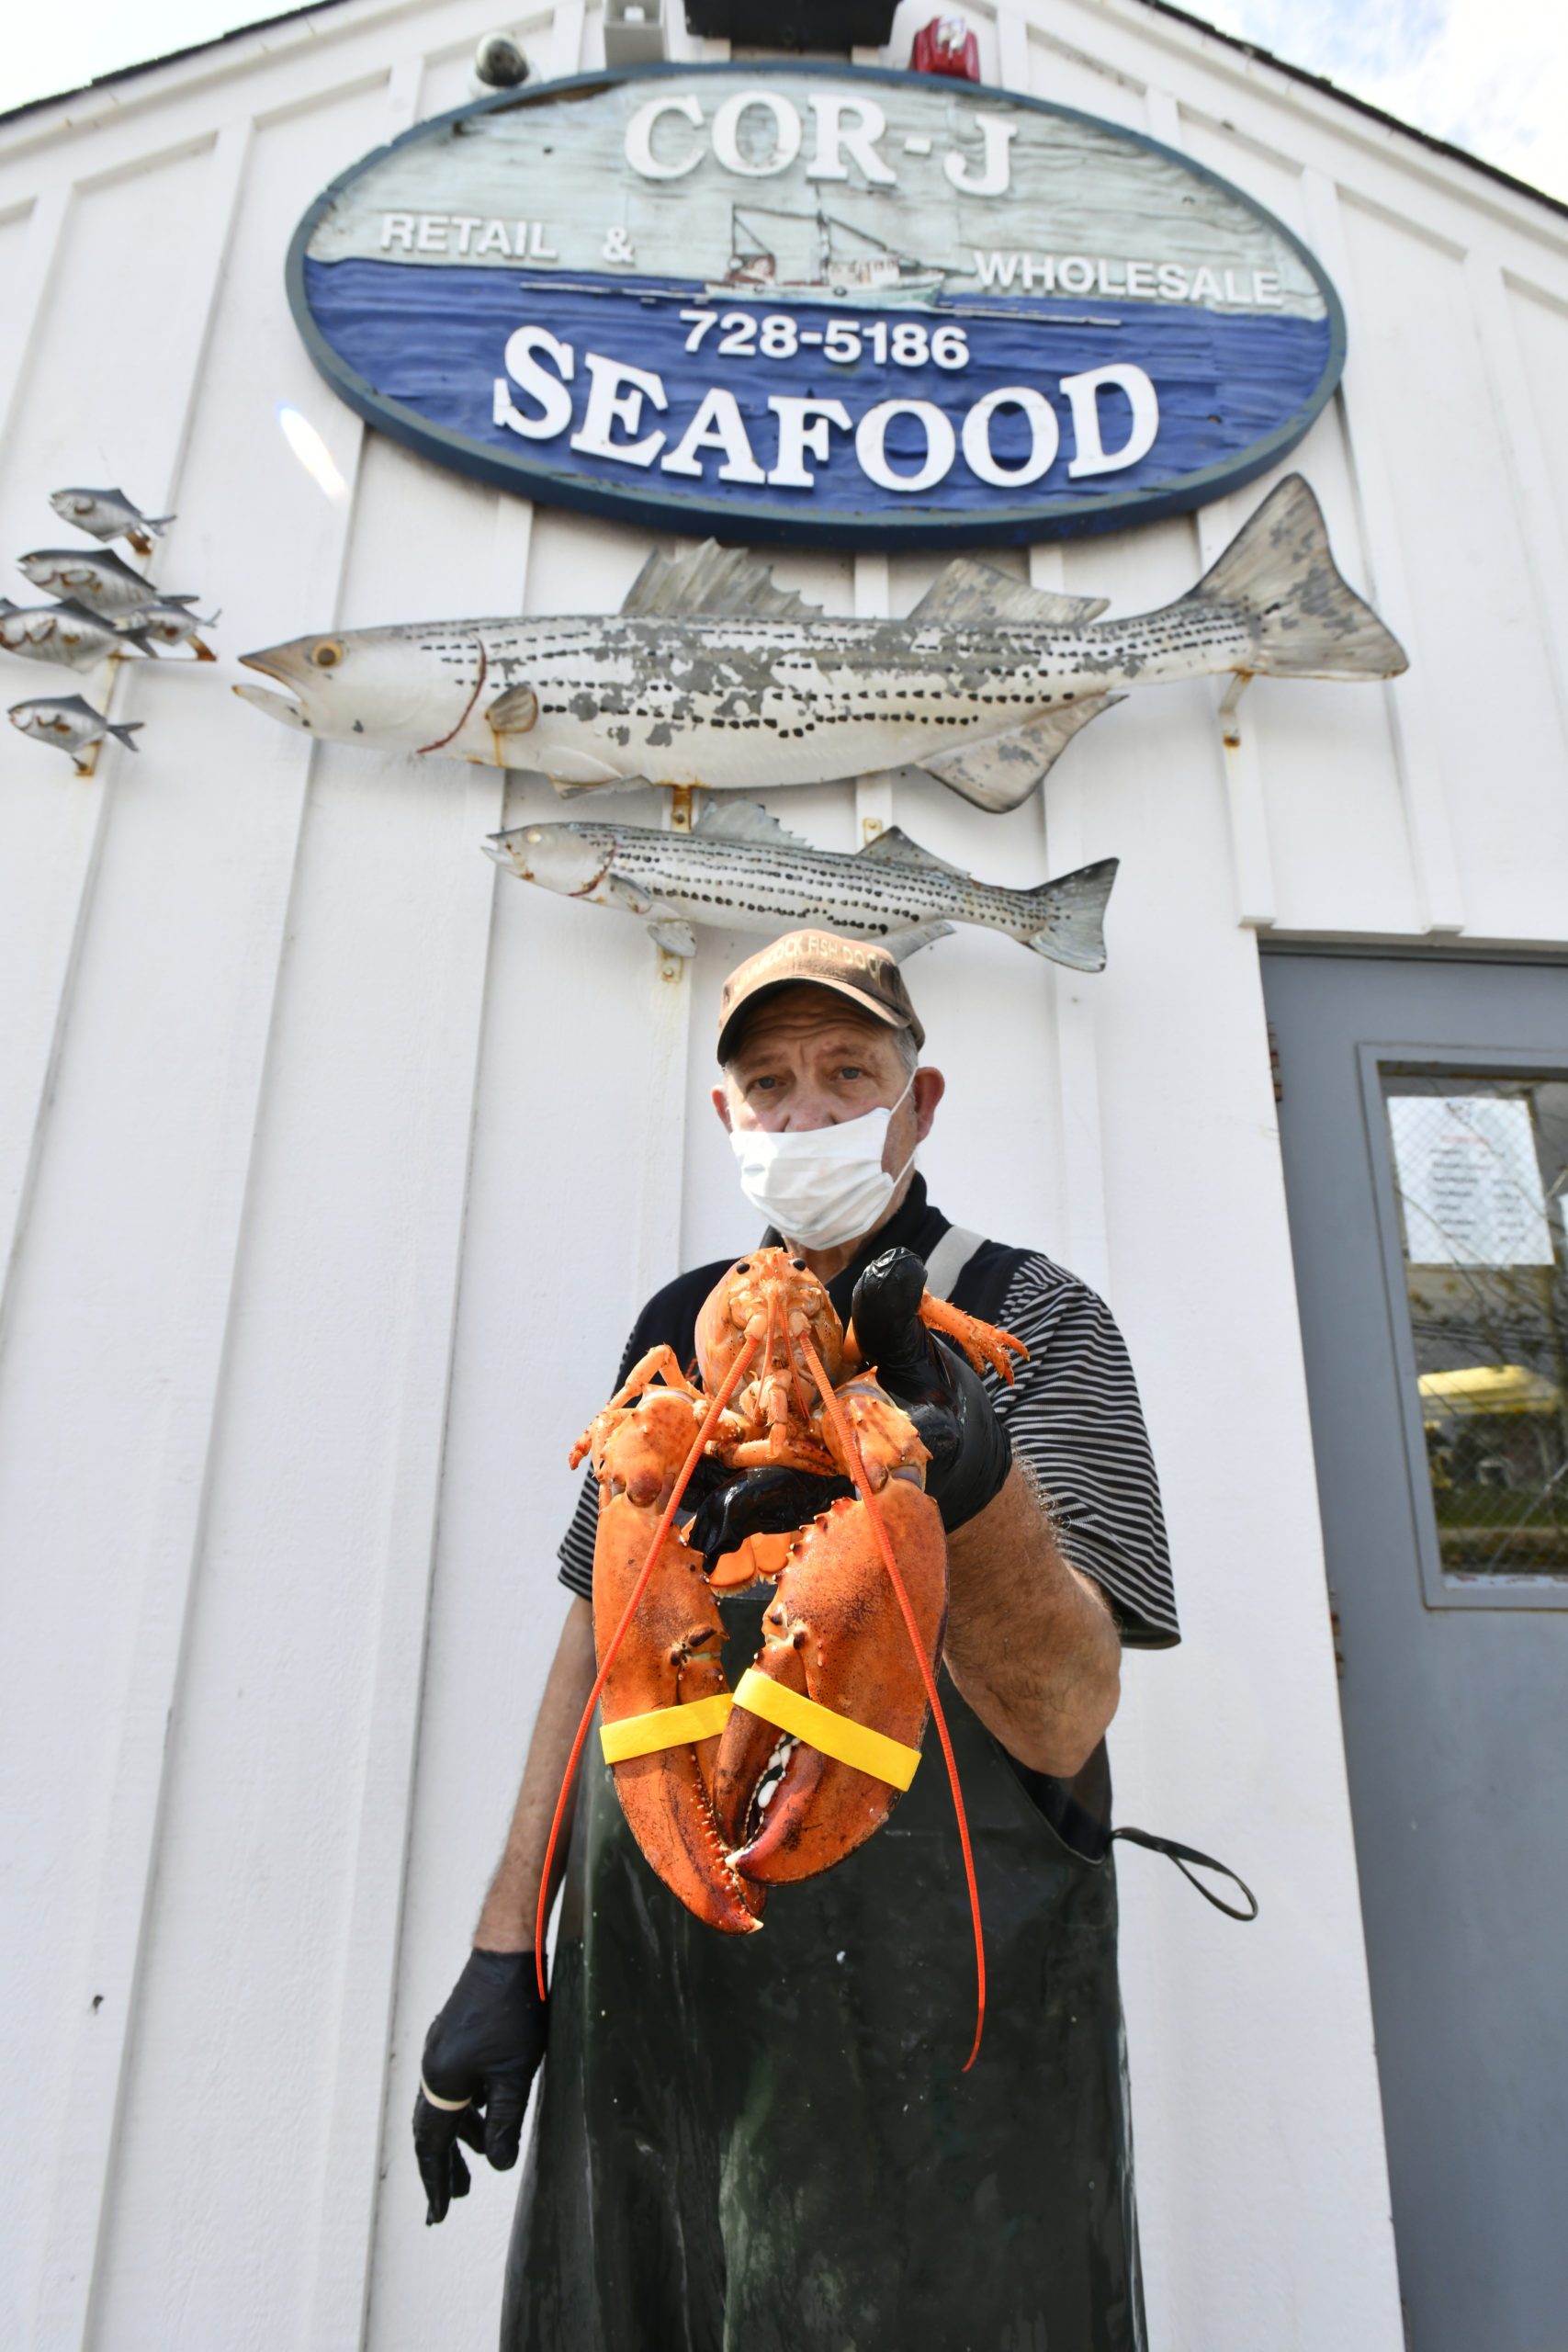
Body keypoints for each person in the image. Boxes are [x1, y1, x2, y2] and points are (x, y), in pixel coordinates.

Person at [413, 930, 1179, 2351]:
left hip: (938, 2025)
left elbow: (1072, 1708)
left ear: (919, 1102)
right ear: (727, 1118)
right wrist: (504, 1949)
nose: (805, 1110)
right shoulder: (674, 1327)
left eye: (848, 1073)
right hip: (664, 2004)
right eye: (769, 1083)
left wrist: (969, 1484)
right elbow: (592, 1648)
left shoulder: (1041, 1318)